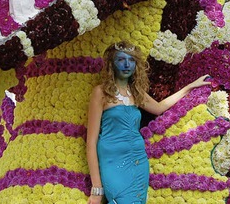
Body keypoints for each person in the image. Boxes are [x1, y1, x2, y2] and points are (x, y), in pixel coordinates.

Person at [86, 41, 210, 203]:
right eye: (121, 59)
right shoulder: (101, 93)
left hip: (138, 161)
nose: (126, 64)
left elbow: (159, 108)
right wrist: (97, 188)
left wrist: (190, 86)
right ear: (112, 64)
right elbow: (91, 143)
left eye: (131, 60)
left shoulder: (136, 92)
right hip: (113, 163)